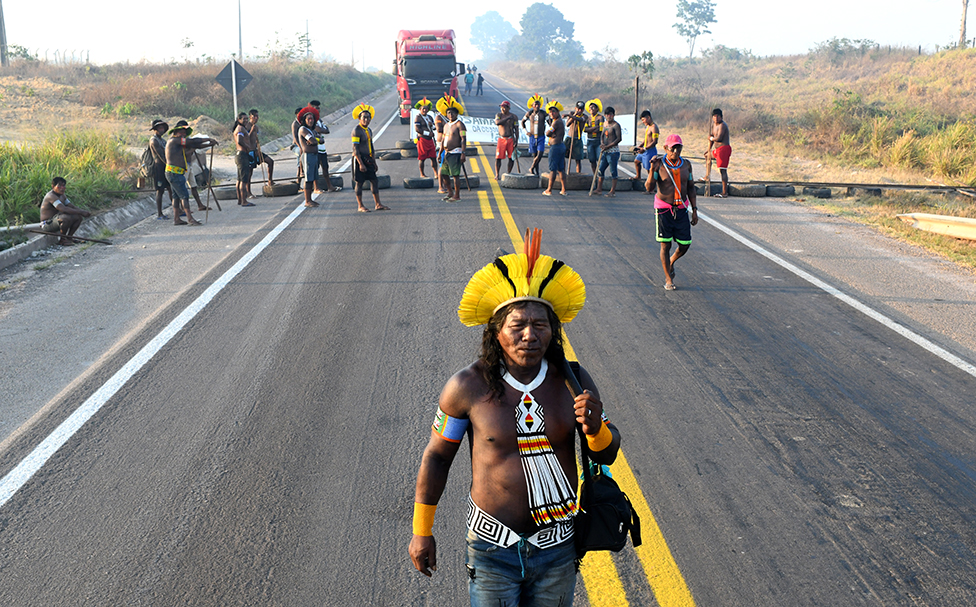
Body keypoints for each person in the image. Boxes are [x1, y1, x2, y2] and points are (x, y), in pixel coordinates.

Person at [409, 232, 621, 606]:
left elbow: (606, 454)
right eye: (517, 325)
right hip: (491, 551)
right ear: (495, 330)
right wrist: (421, 531)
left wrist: (595, 428)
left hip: (558, 548)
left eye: (540, 325)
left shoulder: (574, 381)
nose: (529, 336)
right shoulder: (466, 387)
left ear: (553, 330)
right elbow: (437, 457)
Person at [646, 134, 699, 290]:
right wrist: (651, 169)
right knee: (665, 245)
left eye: (679, 148)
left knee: (685, 244)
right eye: (673, 148)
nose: (676, 151)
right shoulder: (659, 165)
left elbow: (690, 188)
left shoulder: (687, 165)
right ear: (665, 148)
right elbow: (649, 188)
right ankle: (668, 278)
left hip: (681, 209)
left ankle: (671, 261)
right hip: (664, 209)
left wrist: (694, 210)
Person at [165, 120, 218, 225]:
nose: (183, 134)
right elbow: (193, 142)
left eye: (184, 132)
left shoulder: (179, 142)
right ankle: (190, 219)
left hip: (175, 172)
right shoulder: (174, 141)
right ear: (175, 132)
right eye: (181, 132)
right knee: (184, 196)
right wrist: (207, 139)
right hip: (174, 173)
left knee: (176, 197)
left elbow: (195, 146)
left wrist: (209, 144)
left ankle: (177, 219)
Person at [351, 103, 389, 212]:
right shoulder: (356, 131)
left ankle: (378, 204)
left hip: (369, 158)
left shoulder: (368, 130)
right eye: (364, 117)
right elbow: (355, 148)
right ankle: (360, 205)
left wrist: (374, 161)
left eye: (369, 117)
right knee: (359, 183)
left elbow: (371, 146)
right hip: (359, 159)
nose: (367, 120)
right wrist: (360, 164)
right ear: (359, 118)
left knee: (374, 180)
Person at [39, 177, 91, 245]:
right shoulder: (51, 196)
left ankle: (69, 237)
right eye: (59, 185)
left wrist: (83, 212)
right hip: (47, 223)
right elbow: (63, 209)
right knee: (65, 218)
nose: (62, 188)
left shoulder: (62, 196)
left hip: (56, 219)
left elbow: (71, 206)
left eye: (64, 185)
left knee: (78, 217)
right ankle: (62, 240)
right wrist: (81, 212)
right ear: (53, 186)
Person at [439, 100, 467, 203]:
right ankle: (450, 192)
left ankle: (457, 195)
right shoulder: (446, 125)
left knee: (455, 175)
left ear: (457, 114)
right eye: (449, 113)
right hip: (446, 153)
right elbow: (443, 140)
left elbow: (463, 139)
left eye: (453, 113)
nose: (451, 115)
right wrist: (440, 152)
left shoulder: (460, 125)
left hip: (456, 152)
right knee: (444, 174)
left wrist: (463, 153)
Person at [594, 106, 622, 198]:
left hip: (613, 152)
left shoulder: (616, 125)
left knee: (613, 171)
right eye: (607, 115)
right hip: (605, 151)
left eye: (610, 115)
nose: (609, 116)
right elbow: (602, 135)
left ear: (613, 115)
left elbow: (618, 139)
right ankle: (599, 189)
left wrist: (608, 146)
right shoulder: (605, 124)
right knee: (600, 169)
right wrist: (602, 144)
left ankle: (612, 191)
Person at [298, 107, 322, 207]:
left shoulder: (311, 131)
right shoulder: (303, 129)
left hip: (314, 155)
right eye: (308, 119)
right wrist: (314, 140)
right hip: (308, 156)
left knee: (312, 178)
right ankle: (307, 201)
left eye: (312, 118)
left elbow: (321, 140)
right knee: (308, 179)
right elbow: (313, 141)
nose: (311, 120)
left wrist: (314, 139)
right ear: (304, 120)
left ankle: (310, 199)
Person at [542, 101, 567, 196]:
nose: (551, 113)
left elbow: (547, 133)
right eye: (550, 112)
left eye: (553, 111)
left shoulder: (556, 122)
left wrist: (551, 132)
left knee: (553, 169)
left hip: (556, 147)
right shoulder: (558, 121)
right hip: (560, 146)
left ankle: (549, 189)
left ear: (558, 112)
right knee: (561, 169)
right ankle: (563, 190)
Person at [149, 119, 172, 219]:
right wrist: (170, 165)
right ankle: (159, 214)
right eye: (160, 128)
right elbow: (162, 157)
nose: (162, 130)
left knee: (171, 188)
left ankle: (177, 209)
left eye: (163, 128)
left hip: (165, 167)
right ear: (155, 129)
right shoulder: (154, 141)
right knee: (160, 190)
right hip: (159, 168)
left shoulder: (162, 140)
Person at [248, 109, 276, 190]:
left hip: (256, 150)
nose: (256, 118)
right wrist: (251, 131)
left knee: (270, 161)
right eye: (254, 116)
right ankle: (248, 191)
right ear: (250, 117)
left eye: (257, 116)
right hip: (250, 151)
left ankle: (270, 181)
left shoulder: (256, 127)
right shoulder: (247, 126)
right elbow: (246, 139)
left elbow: (256, 139)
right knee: (250, 172)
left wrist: (257, 148)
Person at [707, 108, 732, 198]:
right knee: (707, 156)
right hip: (717, 150)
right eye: (714, 116)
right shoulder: (713, 125)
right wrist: (709, 149)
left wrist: (710, 138)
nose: (716, 118)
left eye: (718, 116)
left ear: (721, 117)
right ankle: (707, 175)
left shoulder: (723, 125)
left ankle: (724, 192)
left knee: (722, 170)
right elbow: (712, 138)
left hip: (724, 149)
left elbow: (719, 138)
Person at [521, 94, 547, 177]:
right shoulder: (529, 113)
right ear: (532, 106)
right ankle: (536, 172)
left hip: (541, 137)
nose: (537, 106)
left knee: (540, 154)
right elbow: (522, 122)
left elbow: (550, 123)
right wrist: (526, 132)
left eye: (538, 104)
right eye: (535, 104)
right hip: (532, 137)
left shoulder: (543, 113)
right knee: (535, 155)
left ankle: (531, 167)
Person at [233, 112, 255, 207]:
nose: (246, 120)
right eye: (244, 119)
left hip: (240, 155)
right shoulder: (240, 128)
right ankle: (244, 201)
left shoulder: (240, 128)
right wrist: (247, 148)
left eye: (246, 118)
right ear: (239, 120)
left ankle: (239, 199)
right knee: (243, 179)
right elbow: (239, 140)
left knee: (239, 178)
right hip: (242, 155)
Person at [414, 98, 439, 178]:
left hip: (430, 141)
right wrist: (428, 134)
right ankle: (422, 174)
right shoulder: (418, 117)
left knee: (433, 157)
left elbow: (434, 127)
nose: (425, 110)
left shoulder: (430, 117)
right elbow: (417, 129)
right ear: (420, 109)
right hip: (422, 140)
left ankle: (436, 173)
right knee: (422, 158)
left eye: (426, 108)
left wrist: (432, 125)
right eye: (423, 108)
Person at [493, 100, 517, 180]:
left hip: (510, 139)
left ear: (508, 108)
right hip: (501, 139)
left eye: (504, 108)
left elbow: (516, 129)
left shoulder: (514, 117)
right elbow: (497, 122)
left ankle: (508, 173)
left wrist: (516, 140)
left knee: (511, 157)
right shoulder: (499, 115)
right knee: (498, 157)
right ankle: (497, 174)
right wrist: (507, 118)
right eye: (501, 107)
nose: (502, 109)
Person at [634, 111, 659, 185]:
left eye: (643, 120)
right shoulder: (648, 126)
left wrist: (644, 149)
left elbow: (655, 142)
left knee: (649, 169)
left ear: (648, 117)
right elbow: (646, 138)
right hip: (644, 150)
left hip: (650, 151)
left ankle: (651, 186)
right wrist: (640, 146)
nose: (643, 122)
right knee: (637, 161)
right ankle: (638, 176)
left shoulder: (654, 127)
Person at [563, 101, 587, 174]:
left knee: (578, 159)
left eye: (581, 109)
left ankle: (578, 174)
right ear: (575, 108)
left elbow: (580, 120)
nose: (580, 111)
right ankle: (563, 172)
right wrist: (573, 116)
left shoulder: (584, 116)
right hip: (569, 138)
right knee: (562, 155)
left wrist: (571, 116)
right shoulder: (571, 113)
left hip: (577, 139)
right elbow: (567, 124)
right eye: (578, 109)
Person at [584, 99, 604, 174]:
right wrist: (594, 128)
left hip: (598, 141)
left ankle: (600, 175)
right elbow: (585, 129)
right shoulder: (588, 118)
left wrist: (590, 129)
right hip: (590, 140)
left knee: (599, 159)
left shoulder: (600, 117)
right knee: (592, 160)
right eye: (590, 107)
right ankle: (594, 174)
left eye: (593, 107)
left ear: (597, 109)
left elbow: (600, 129)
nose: (591, 109)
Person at [291, 107, 305, 185]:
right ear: (297, 115)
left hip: (303, 145)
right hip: (296, 145)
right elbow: (295, 138)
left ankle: (298, 183)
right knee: (300, 153)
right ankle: (301, 172)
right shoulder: (295, 124)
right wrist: (300, 147)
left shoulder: (304, 122)